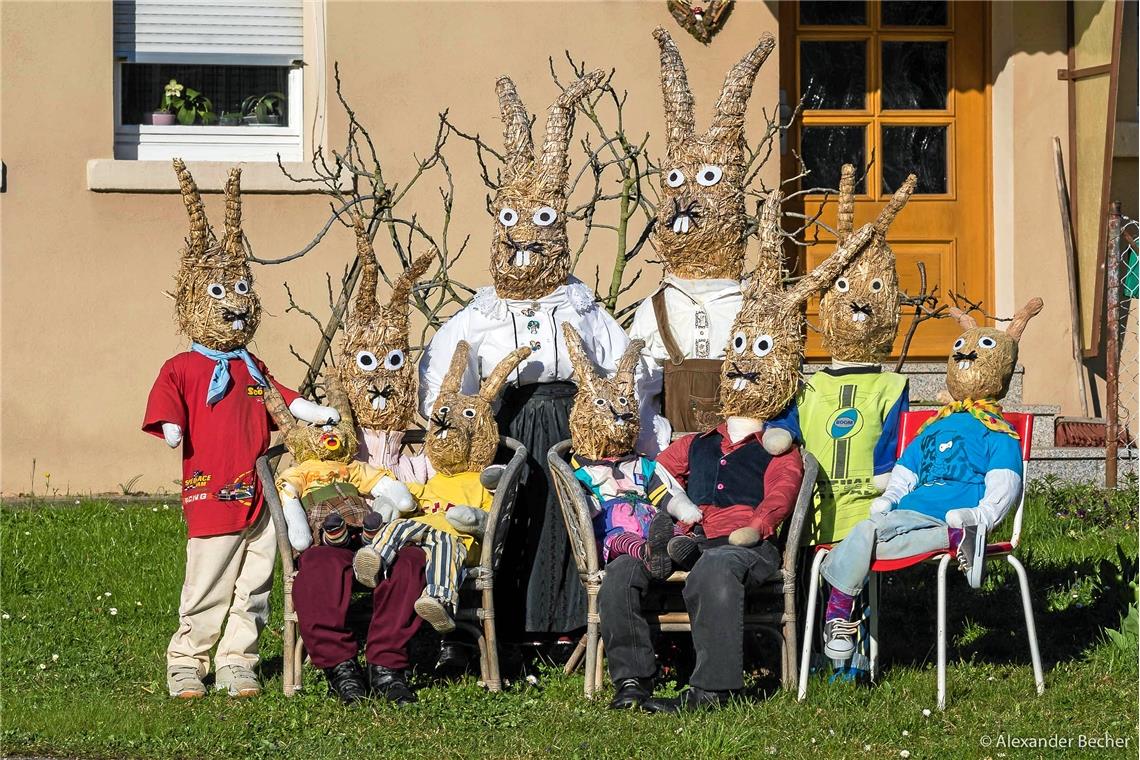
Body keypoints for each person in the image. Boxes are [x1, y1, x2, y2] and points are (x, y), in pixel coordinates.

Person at [599, 195, 875, 712]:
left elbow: (782, 497)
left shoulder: (779, 450)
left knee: (715, 570)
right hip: (690, 536)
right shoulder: (699, 443)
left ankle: (713, 689)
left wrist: (758, 527)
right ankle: (632, 682)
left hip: (745, 545)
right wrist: (671, 509)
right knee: (622, 574)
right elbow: (659, 471)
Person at [418, 71, 660, 638]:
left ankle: (571, 625)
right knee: (512, 512)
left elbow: (630, 365)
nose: (526, 239)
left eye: (542, 224)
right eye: (513, 223)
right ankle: (512, 629)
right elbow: (444, 372)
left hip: (571, 421)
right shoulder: (482, 313)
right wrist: (457, 415)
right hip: (505, 422)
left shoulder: (577, 304)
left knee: (568, 513)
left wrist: (616, 409)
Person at [143, 161, 339, 699]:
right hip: (211, 490)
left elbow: (278, 397)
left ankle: (238, 660)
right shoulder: (185, 366)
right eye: (219, 293)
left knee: (256, 581)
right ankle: (188, 659)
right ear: (192, 299)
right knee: (208, 580)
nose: (234, 304)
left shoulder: (251, 365)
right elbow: (168, 400)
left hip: (259, 493)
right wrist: (172, 424)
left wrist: (309, 412)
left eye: (241, 290)